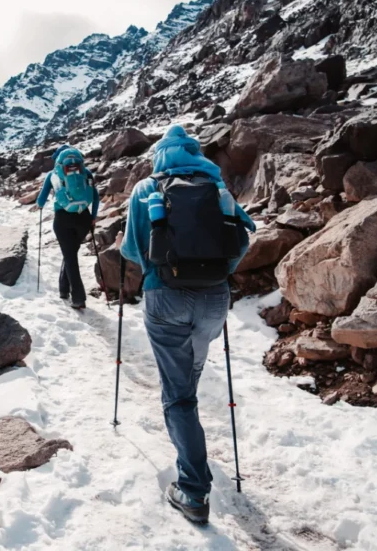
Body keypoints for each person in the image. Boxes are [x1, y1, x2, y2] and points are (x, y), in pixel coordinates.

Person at [120, 125, 255, 524]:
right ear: (194, 152)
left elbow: (130, 248)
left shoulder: (147, 189)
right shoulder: (217, 186)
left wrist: (152, 262)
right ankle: (189, 425)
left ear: (160, 155)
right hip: (214, 298)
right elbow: (245, 238)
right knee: (190, 372)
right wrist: (220, 271)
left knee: (178, 395)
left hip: (165, 296)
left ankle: (193, 491)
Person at [36, 145, 100, 310]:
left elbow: (40, 201)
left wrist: (43, 203)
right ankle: (63, 289)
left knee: (70, 257)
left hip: (63, 220)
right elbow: (96, 197)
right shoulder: (85, 172)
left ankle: (78, 297)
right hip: (84, 218)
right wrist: (92, 218)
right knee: (70, 252)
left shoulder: (53, 175)